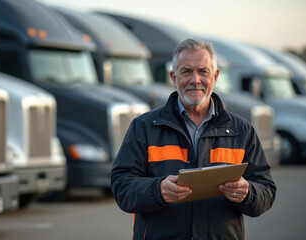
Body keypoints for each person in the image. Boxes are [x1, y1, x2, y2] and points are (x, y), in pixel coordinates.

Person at [111, 38, 276, 240]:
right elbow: (121, 186)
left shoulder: (242, 131)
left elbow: (266, 190)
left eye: (203, 71)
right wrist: (157, 190)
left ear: (215, 77)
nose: (195, 79)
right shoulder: (144, 127)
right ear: (173, 77)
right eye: (186, 71)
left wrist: (248, 192)